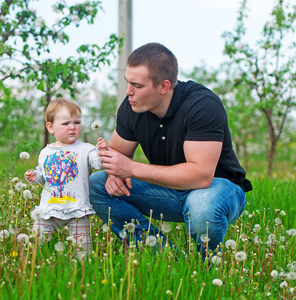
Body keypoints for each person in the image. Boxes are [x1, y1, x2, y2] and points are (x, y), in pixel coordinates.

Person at [89, 43, 252, 257]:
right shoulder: (132, 107)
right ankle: (165, 256)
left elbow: (201, 176)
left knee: (202, 205)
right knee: (97, 185)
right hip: (167, 190)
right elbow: (118, 153)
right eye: (127, 82)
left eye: (137, 85)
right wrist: (113, 173)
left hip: (218, 191)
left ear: (164, 86)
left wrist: (130, 169)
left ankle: (208, 268)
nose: (128, 92)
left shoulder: (202, 105)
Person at [25, 97, 108, 255]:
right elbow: (43, 177)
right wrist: (34, 176)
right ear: (51, 127)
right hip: (49, 210)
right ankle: (29, 265)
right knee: (34, 244)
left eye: (77, 122)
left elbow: (99, 164)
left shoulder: (86, 149)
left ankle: (85, 272)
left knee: (83, 250)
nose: (72, 127)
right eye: (65, 123)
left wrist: (103, 152)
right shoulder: (45, 153)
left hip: (78, 210)